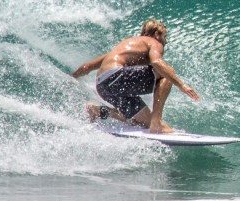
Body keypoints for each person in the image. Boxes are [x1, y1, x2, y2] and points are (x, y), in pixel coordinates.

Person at [71, 19, 200, 134]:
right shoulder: (154, 42)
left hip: (103, 87)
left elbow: (86, 67)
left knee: (143, 124)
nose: (166, 42)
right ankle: (157, 122)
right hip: (116, 78)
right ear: (157, 35)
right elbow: (156, 62)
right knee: (167, 71)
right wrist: (182, 85)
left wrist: (71, 78)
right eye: (165, 37)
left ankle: (97, 110)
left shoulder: (125, 47)